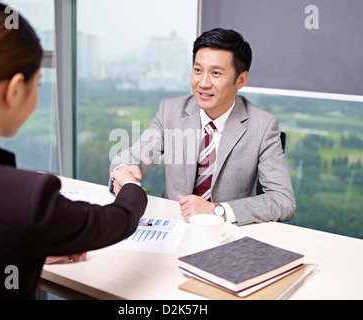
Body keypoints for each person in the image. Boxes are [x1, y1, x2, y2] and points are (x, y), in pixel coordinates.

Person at [0, 0, 147, 299]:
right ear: (14, 90)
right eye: (38, 85)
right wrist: (131, 187)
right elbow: (117, 221)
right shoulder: (22, 197)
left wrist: (26, 247)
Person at [110, 28, 295, 226]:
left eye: (216, 73)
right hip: (172, 225)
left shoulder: (263, 126)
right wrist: (124, 170)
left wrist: (217, 211)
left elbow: (282, 200)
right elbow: (133, 157)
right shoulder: (171, 111)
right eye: (198, 70)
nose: (203, 83)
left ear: (240, 80)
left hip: (225, 233)